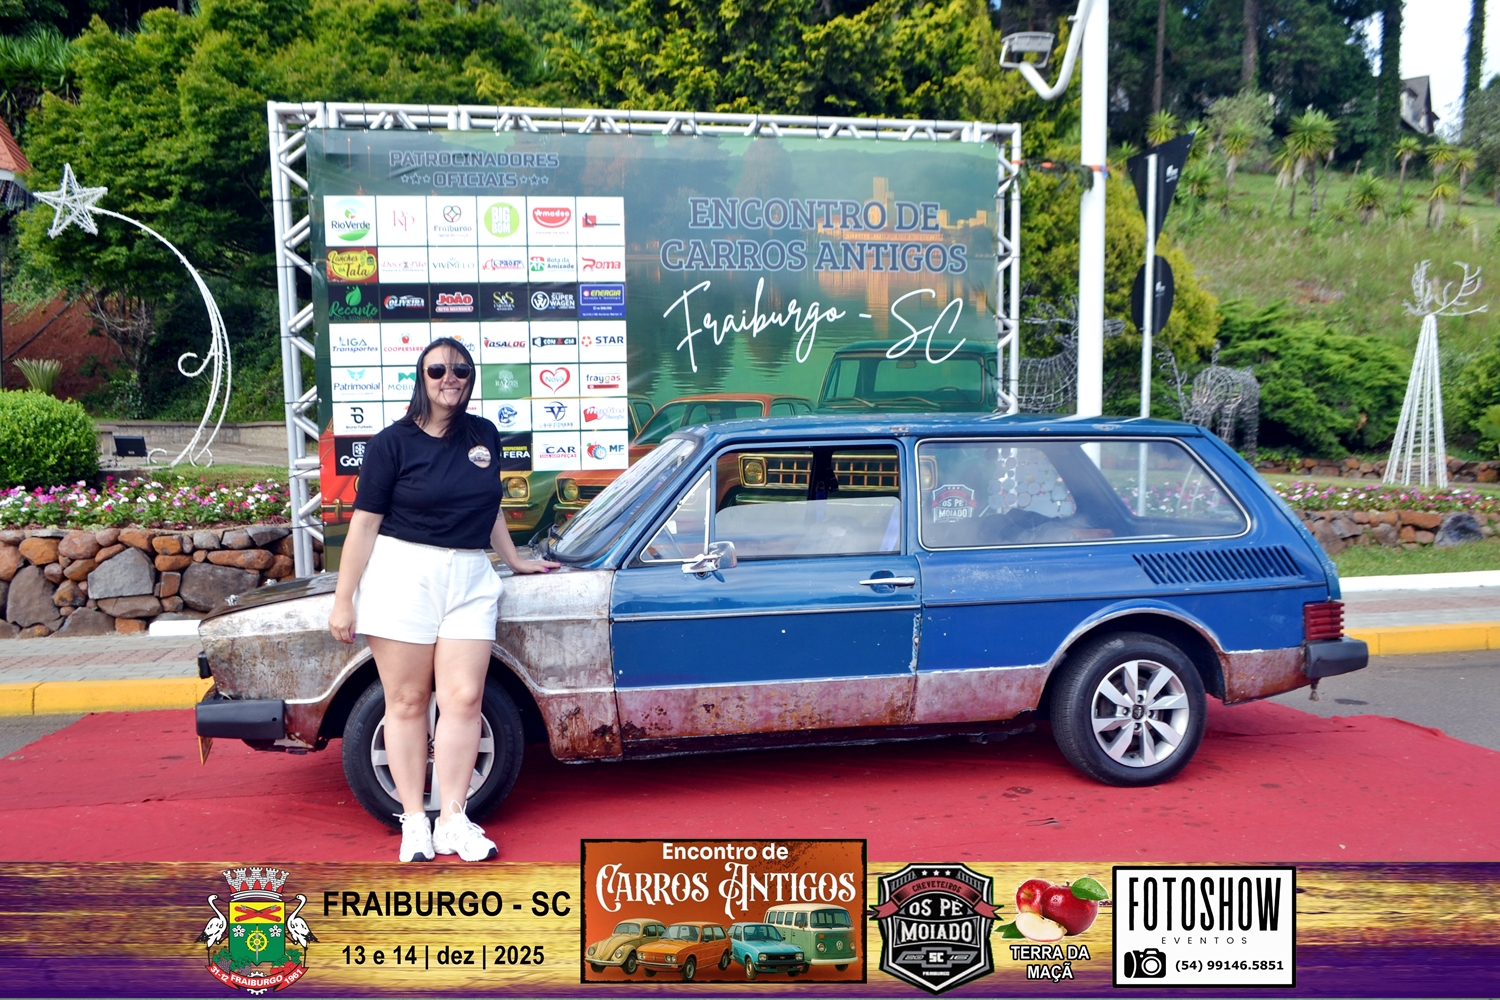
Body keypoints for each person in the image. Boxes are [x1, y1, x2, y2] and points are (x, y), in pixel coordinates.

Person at [328, 336, 557, 862]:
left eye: (460, 370)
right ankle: (414, 821)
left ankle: (453, 819)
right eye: (437, 370)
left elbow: (489, 507)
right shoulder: (391, 443)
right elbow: (363, 525)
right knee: (407, 702)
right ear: (421, 377)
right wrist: (344, 599)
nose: (449, 378)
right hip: (402, 574)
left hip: (470, 576)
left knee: (465, 699)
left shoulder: (484, 434)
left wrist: (514, 559)